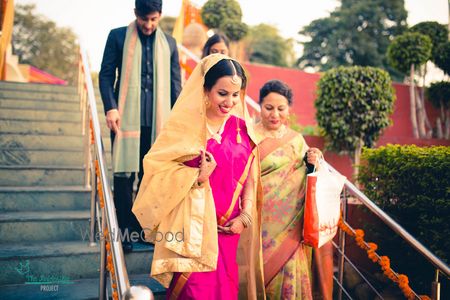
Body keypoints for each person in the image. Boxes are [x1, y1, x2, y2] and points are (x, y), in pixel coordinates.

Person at [132, 54, 265, 299]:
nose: (230, 102)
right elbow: (156, 169)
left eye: (236, 95)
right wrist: (198, 176)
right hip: (194, 231)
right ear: (205, 89)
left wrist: (244, 217)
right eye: (222, 93)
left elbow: (250, 178)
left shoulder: (242, 129)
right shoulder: (185, 128)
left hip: (229, 230)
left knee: (226, 291)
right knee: (194, 292)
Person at [98, 0, 181, 252]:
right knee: (124, 178)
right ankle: (123, 234)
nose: (149, 24)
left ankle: (143, 230)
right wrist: (111, 107)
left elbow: (175, 85)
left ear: (160, 16)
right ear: (135, 14)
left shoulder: (170, 44)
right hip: (125, 120)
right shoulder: (118, 36)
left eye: (154, 19)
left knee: (150, 179)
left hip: (158, 123)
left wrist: (177, 122)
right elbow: (105, 74)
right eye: (144, 19)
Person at [255, 80, 334, 300]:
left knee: (288, 278)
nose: (275, 114)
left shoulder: (297, 140)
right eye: (268, 108)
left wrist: (315, 160)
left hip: (291, 227)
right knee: (258, 277)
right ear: (259, 106)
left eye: (281, 109)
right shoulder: (249, 137)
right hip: (258, 226)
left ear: (289, 109)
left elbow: (311, 174)